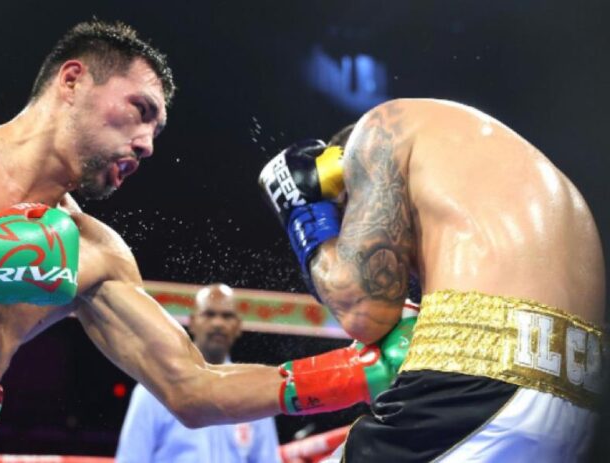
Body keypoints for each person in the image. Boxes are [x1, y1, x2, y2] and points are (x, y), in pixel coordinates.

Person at [0, 20, 412, 462]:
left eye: (157, 130)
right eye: (140, 110)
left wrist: (359, 372)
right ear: (73, 80)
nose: (147, 144)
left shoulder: (95, 252)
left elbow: (193, 387)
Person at [258, 98, 605, 462]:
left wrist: (304, 213)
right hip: (580, 409)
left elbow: (361, 306)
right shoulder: (499, 169)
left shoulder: (378, 131)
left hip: (478, 385)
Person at [116, 283, 280, 463]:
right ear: (193, 322)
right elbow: (131, 458)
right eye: (209, 314)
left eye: (227, 316)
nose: (218, 323)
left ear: (238, 326)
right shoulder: (155, 388)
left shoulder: (253, 388)